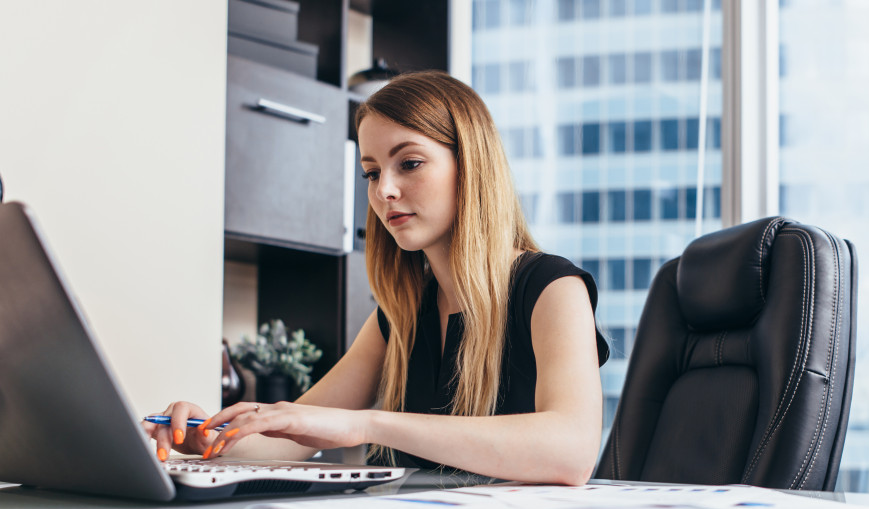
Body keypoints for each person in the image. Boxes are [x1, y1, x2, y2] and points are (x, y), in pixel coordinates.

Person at [147, 71, 609, 485]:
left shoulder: (553, 289)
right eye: (371, 172)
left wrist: (369, 424)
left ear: (470, 166)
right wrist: (203, 438)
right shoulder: (402, 312)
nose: (384, 190)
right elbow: (290, 437)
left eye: (409, 163)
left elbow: (571, 452)